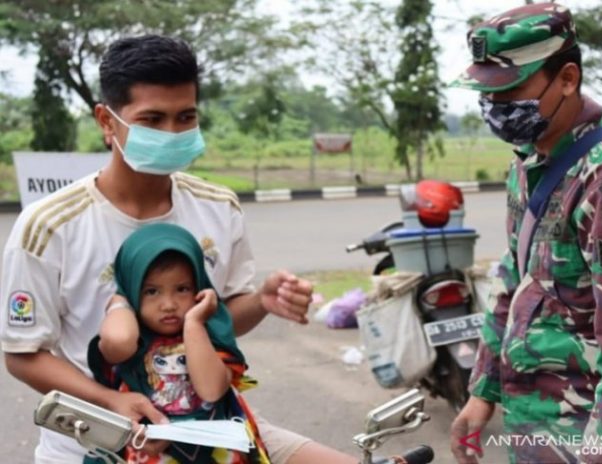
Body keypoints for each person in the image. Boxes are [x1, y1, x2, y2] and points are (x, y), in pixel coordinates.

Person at [0, 35, 355, 464]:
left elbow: (218, 319)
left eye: (185, 117)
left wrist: (262, 300)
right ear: (106, 122)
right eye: (152, 119)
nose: (172, 133)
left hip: (215, 433)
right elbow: (23, 354)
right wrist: (110, 400)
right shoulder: (50, 225)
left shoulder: (218, 207)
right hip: (95, 446)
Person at [448, 3, 602, 463]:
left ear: (567, 78)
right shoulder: (529, 164)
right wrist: (483, 392)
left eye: (512, 90)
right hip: (539, 428)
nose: (497, 107)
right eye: (488, 93)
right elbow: (515, 279)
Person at [88, 223, 269, 463]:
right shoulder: (131, 335)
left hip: (215, 455)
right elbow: (117, 341)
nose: (168, 304)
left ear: (199, 286)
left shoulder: (211, 331)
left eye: (182, 289)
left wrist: (194, 323)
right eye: (151, 291)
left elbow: (212, 389)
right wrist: (120, 300)